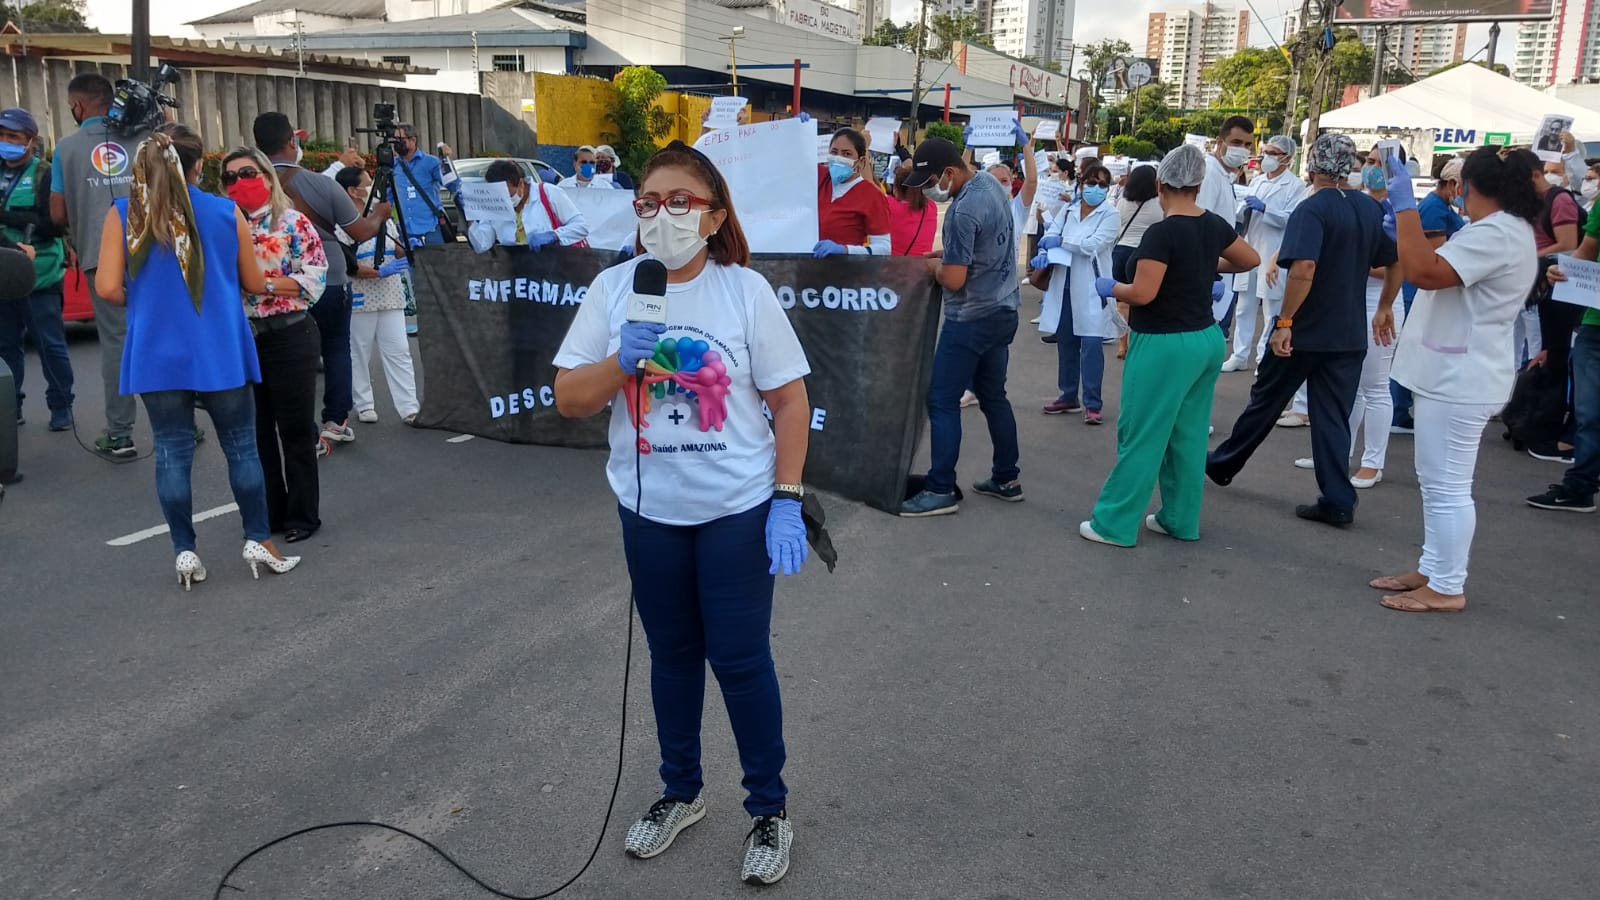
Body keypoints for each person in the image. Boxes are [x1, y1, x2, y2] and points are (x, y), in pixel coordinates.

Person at [551, 141, 809, 885]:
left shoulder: (745, 292)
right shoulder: (614, 289)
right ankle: (681, 791)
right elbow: (569, 399)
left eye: (679, 202)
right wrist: (619, 362)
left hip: (735, 509)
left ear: (714, 215)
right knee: (671, 657)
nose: (660, 215)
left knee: (740, 659)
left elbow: (790, 401)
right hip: (649, 512)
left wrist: (786, 500)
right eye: (648, 202)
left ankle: (769, 808)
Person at [92, 124, 299, 587]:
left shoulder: (123, 213)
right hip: (218, 345)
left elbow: (106, 287)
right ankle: (257, 539)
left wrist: (145, 301)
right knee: (241, 446)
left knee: (171, 450)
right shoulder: (226, 211)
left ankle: (185, 551)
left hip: (155, 349)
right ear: (198, 165)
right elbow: (252, 282)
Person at [1372, 147, 1539, 612]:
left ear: (1469, 185)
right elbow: (1435, 263)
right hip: (1455, 374)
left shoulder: (1498, 233)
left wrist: (1405, 210)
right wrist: (1406, 234)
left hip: (1460, 378)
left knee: (1446, 484)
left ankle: (1447, 585)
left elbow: (1425, 273)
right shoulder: (1497, 229)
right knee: (1436, 480)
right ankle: (1434, 567)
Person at [1206, 132, 1401, 528]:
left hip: (1305, 329)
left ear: (1312, 165)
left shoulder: (1312, 209)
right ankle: (1338, 498)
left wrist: (1285, 322)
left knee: (1266, 400)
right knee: (1333, 417)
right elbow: (1395, 261)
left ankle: (1224, 463)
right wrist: (1384, 306)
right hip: (1347, 332)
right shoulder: (1368, 208)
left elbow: (1304, 267)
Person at [1079, 144, 1258, 547]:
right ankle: (1179, 519)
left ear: (1160, 183)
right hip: (1206, 340)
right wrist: (1204, 265)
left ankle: (1114, 524)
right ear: (1198, 184)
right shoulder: (1212, 224)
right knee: (1188, 436)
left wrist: (1112, 287)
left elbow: (1143, 293)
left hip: (1163, 344)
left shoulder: (1161, 232)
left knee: (1142, 434)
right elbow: (1250, 259)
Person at [899, 135, 1024, 517]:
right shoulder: (991, 184)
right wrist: (951, 253)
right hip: (1004, 310)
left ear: (949, 172)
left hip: (970, 318)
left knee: (941, 399)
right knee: (993, 395)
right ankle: (1006, 478)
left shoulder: (962, 210)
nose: (929, 191)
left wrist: (935, 267)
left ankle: (940, 489)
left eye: (930, 182)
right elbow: (986, 245)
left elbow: (954, 279)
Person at [254, 112, 391, 446]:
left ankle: (294, 429)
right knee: (335, 347)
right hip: (328, 279)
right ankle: (335, 419)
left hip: (272, 285)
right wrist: (379, 214)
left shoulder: (249, 186)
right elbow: (359, 231)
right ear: (292, 142)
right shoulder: (322, 184)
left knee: (286, 358)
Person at [223, 148, 330, 544]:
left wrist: (263, 285)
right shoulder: (223, 224)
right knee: (257, 433)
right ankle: (270, 512)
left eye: (247, 173)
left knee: (296, 430)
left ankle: (303, 514)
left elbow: (314, 278)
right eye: (229, 177)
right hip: (244, 338)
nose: (239, 182)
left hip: (290, 334)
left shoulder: (292, 222)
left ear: (267, 176)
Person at [49, 74, 153, 456]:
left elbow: (57, 213)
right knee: (160, 331)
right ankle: (181, 423)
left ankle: (120, 433)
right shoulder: (144, 138)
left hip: (99, 255)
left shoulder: (66, 148)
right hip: (152, 252)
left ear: (77, 106)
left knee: (116, 342)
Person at [1289, 147, 1405, 489]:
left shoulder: (1396, 210)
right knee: (1346, 389)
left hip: (1379, 303)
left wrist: (1350, 260)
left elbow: (1399, 263)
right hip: (1349, 301)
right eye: (1367, 161)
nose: (1370, 168)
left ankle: (1372, 462)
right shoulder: (1357, 203)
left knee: (1375, 386)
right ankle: (1336, 455)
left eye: (1378, 163)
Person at [0, 106, 74, 432]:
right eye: (2, 136)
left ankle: (61, 406)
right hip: (5, 274)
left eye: (13, 136)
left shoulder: (44, 175)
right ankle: (9, 407)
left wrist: (12, 219)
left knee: (49, 345)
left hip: (40, 275)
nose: (6, 142)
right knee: (5, 347)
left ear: (30, 141)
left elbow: (55, 225)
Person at [1034, 163, 1120, 423]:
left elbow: (1093, 245)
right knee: (1066, 342)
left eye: (1102, 185)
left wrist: (1061, 242)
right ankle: (1068, 395)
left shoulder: (1111, 215)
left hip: (1092, 286)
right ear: (1081, 185)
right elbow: (1051, 232)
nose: (1096, 188)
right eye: (1091, 183)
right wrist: (1044, 251)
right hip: (1064, 283)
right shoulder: (1069, 209)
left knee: (1091, 346)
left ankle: (1093, 404)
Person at [334, 167, 420, 425]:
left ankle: (409, 407)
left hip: (390, 295)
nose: (373, 187)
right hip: (361, 299)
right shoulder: (342, 225)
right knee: (359, 353)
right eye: (367, 183)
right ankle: (364, 404)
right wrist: (379, 272)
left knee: (399, 351)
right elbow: (348, 265)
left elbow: (396, 248)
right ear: (353, 191)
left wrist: (408, 248)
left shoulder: (382, 217)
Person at [1391, 155, 1466, 432]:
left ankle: (1400, 408)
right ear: (1452, 184)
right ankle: (1399, 410)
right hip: (1418, 289)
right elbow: (1437, 255)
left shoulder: (1441, 206)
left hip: (1420, 288)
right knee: (1412, 346)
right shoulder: (1435, 208)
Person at [1223, 135, 1306, 374]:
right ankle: (1240, 355)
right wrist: (1243, 208)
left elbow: (1292, 219)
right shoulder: (1257, 181)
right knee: (1244, 306)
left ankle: (1263, 357)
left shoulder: (1296, 186)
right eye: (1266, 152)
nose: (1267, 157)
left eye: (1273, 153)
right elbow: (1241, 213)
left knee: (1271, 306)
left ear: (1287, 158)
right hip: (1250, 247)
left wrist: (1266, 208)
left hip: (1274, 252)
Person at [1530, 230, 1600, 513]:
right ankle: (1579, 488)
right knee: (1589, 414)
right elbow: (1587, 251)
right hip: (1594, 327)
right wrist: (1562, 271)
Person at [1200, 116, 1256, 337]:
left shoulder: (1224, 175)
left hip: (1216, 267)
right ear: (1220, 142)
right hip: (1207, 270)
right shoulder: (1209, 173)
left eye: (1247, 145)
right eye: (1236, 142)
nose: (1242, 149)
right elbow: (1200, 225)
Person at [466, 158, 589, 252]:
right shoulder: (495, 204)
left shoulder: (548, 193)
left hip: (554, 269)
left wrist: (555, 235)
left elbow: (581, 226)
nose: (504, 201)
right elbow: (482, 245)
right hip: (517, 272)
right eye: (499, 196)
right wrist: (470, 216)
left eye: (508, 195)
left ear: (521, 184)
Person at [813, 128, 891, 258]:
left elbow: (884, 248)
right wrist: (798, 129)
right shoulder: (820, 176)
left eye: (847, 154)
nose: (838, 158)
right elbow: (791, 161)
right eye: (834, 152)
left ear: (861, 161)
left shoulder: (872, 196)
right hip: (806, 265)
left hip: (845, 268)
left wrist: (845, 250)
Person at [386, 122, 452, 245]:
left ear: (413, 140)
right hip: (405, 231)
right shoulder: (393, 165)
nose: (396, 143)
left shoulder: (431, 162)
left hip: (431, 230)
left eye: (400, 139)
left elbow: (453, 185)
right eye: (394, 139)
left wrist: (446, 161)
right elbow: (387, 198)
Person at [887, 159, 937, 256]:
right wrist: (905, 156)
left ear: (896, 189)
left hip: (894, 264)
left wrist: (865, 159)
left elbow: (870, 187)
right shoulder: (931, 207)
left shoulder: (890, 206)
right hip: (922, 264)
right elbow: (913, 178)